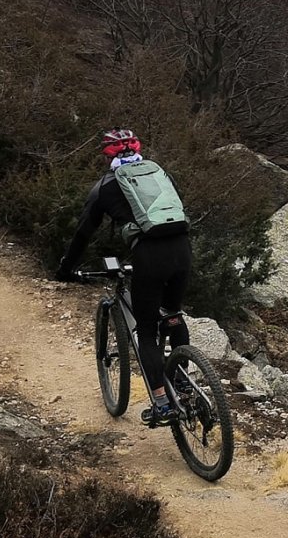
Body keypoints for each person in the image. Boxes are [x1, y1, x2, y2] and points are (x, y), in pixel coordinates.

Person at [55, 128, 192, 425]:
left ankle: (161, 404)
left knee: (145, 329)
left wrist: (66, 269)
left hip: (149, 256)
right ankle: (183, 381)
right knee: (172, 314)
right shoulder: (158, 173)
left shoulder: (105, 187)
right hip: (182, 248)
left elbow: (83, 233)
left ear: (108, 155)